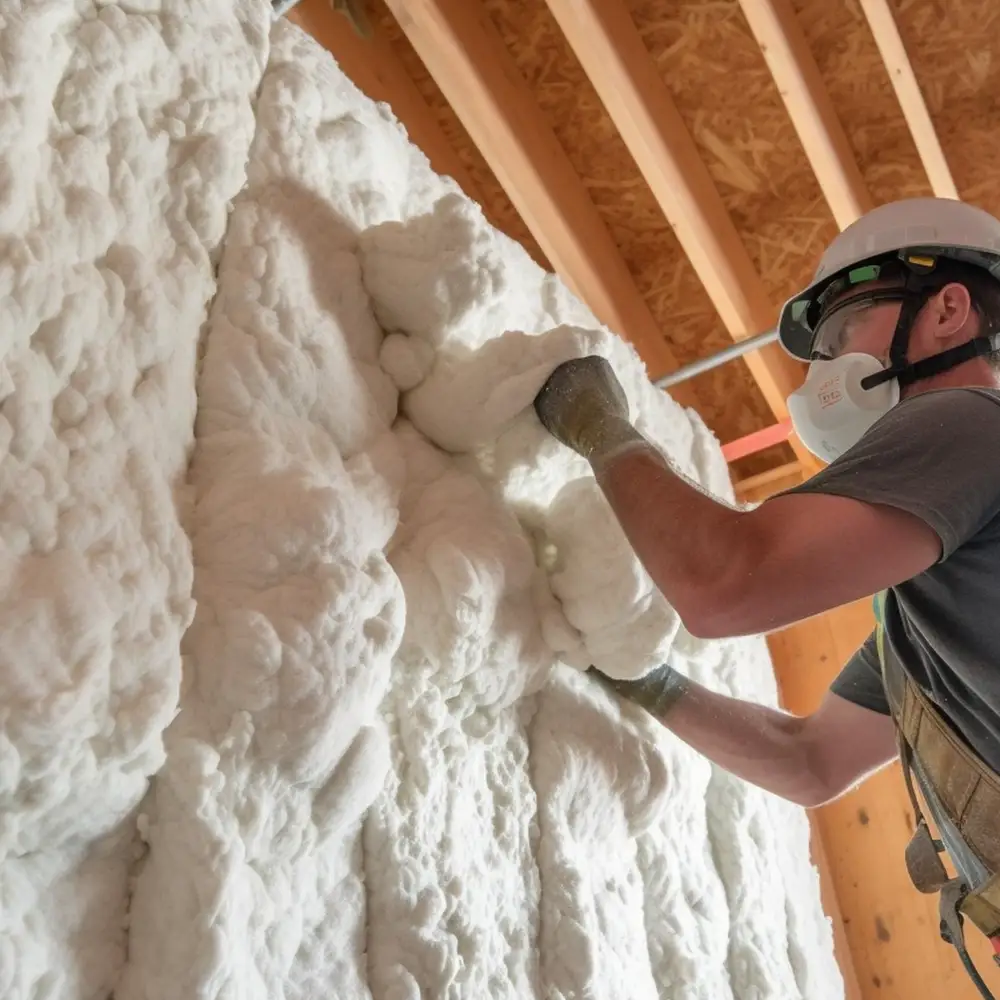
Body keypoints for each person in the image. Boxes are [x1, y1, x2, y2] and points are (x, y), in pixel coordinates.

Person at [533, 197, 1000, 998]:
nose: (824, 368)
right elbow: (811, 760)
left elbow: (726, 584)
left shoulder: (969, 422)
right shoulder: (927, 618)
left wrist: (599, 425)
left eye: (841, 330)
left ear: (947, 309)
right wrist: (637, 676)